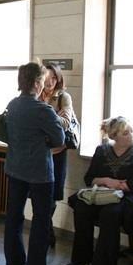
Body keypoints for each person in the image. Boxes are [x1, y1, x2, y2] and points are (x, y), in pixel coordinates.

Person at [62, 116, 133, 265]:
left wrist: (120, 186)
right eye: (125, 133)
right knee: (81, 208)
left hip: (126, 198)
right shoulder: (102, 150)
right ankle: (81, 258)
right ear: (114, 136)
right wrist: (107, 181)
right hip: (101, 194)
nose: (130, 135)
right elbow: (90, 178)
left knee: (110, 215)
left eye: (131, 131)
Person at [3, 62, 66, 265]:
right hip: (40, 172)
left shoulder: (13, 105)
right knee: (41, 219)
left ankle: (14, 260)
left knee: (14, 215)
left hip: (15, 167)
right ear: (38, 83)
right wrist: (44, 138)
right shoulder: (43, 110)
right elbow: (59, 139)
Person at [40, 63, 76, 247]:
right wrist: (53, 117)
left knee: (52, 196)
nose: (50, 81)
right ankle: (46, 231)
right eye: (47, 77)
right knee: (39, 195)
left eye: (54, 78)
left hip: (57, 153)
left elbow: (65, 122)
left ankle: (45, 231)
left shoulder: (63, 97)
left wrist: (43, 117)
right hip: (39, 153)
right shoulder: (35, 95)